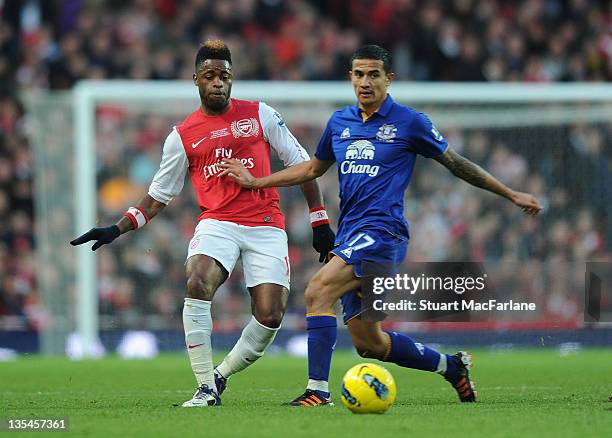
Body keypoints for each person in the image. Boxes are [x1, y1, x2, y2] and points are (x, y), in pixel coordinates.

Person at [219, 44, 543, 405]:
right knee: (369, 343)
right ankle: (452, 367)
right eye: (359, 74)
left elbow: (456, 163)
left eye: (374, 74)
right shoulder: (339, 122)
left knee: (317, 292)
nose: (365, 82)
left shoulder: (409, 122)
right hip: (351, 233)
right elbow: (313, 169)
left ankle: (317, 392)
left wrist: (510, 193)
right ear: (350, 78)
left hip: (382, 233)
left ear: (389, 79)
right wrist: (256, 182)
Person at [70, 40, 336, 407]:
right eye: (209, 76)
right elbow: (158, 197)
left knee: (271, 314)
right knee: (198, 277)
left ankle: (220, 375)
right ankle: (204, 388)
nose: (217, 83)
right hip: (217, 223)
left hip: (266, 223)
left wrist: (318, 219)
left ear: (232, 79)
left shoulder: (261, 115)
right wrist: (116, 228)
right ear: (196, 79)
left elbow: (304, 165)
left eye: (224, 76)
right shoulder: (182, 136)